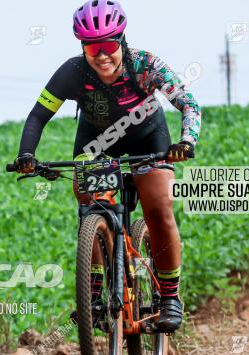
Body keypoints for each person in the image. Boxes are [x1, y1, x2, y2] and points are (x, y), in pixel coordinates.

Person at [14, 0, 201, 332]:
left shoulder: (145, 64)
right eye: (91, 47)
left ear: (122, 41)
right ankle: (96, 293)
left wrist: (186, 142)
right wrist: (26, 154)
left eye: (108, 45)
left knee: (158, 207)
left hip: (149, 139)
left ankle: (170, 296)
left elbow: (187, 103)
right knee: (90, 203)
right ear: (82, 47)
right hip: (97, 144)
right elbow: (38, 115)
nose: (101, 55)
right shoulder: (72, 72)